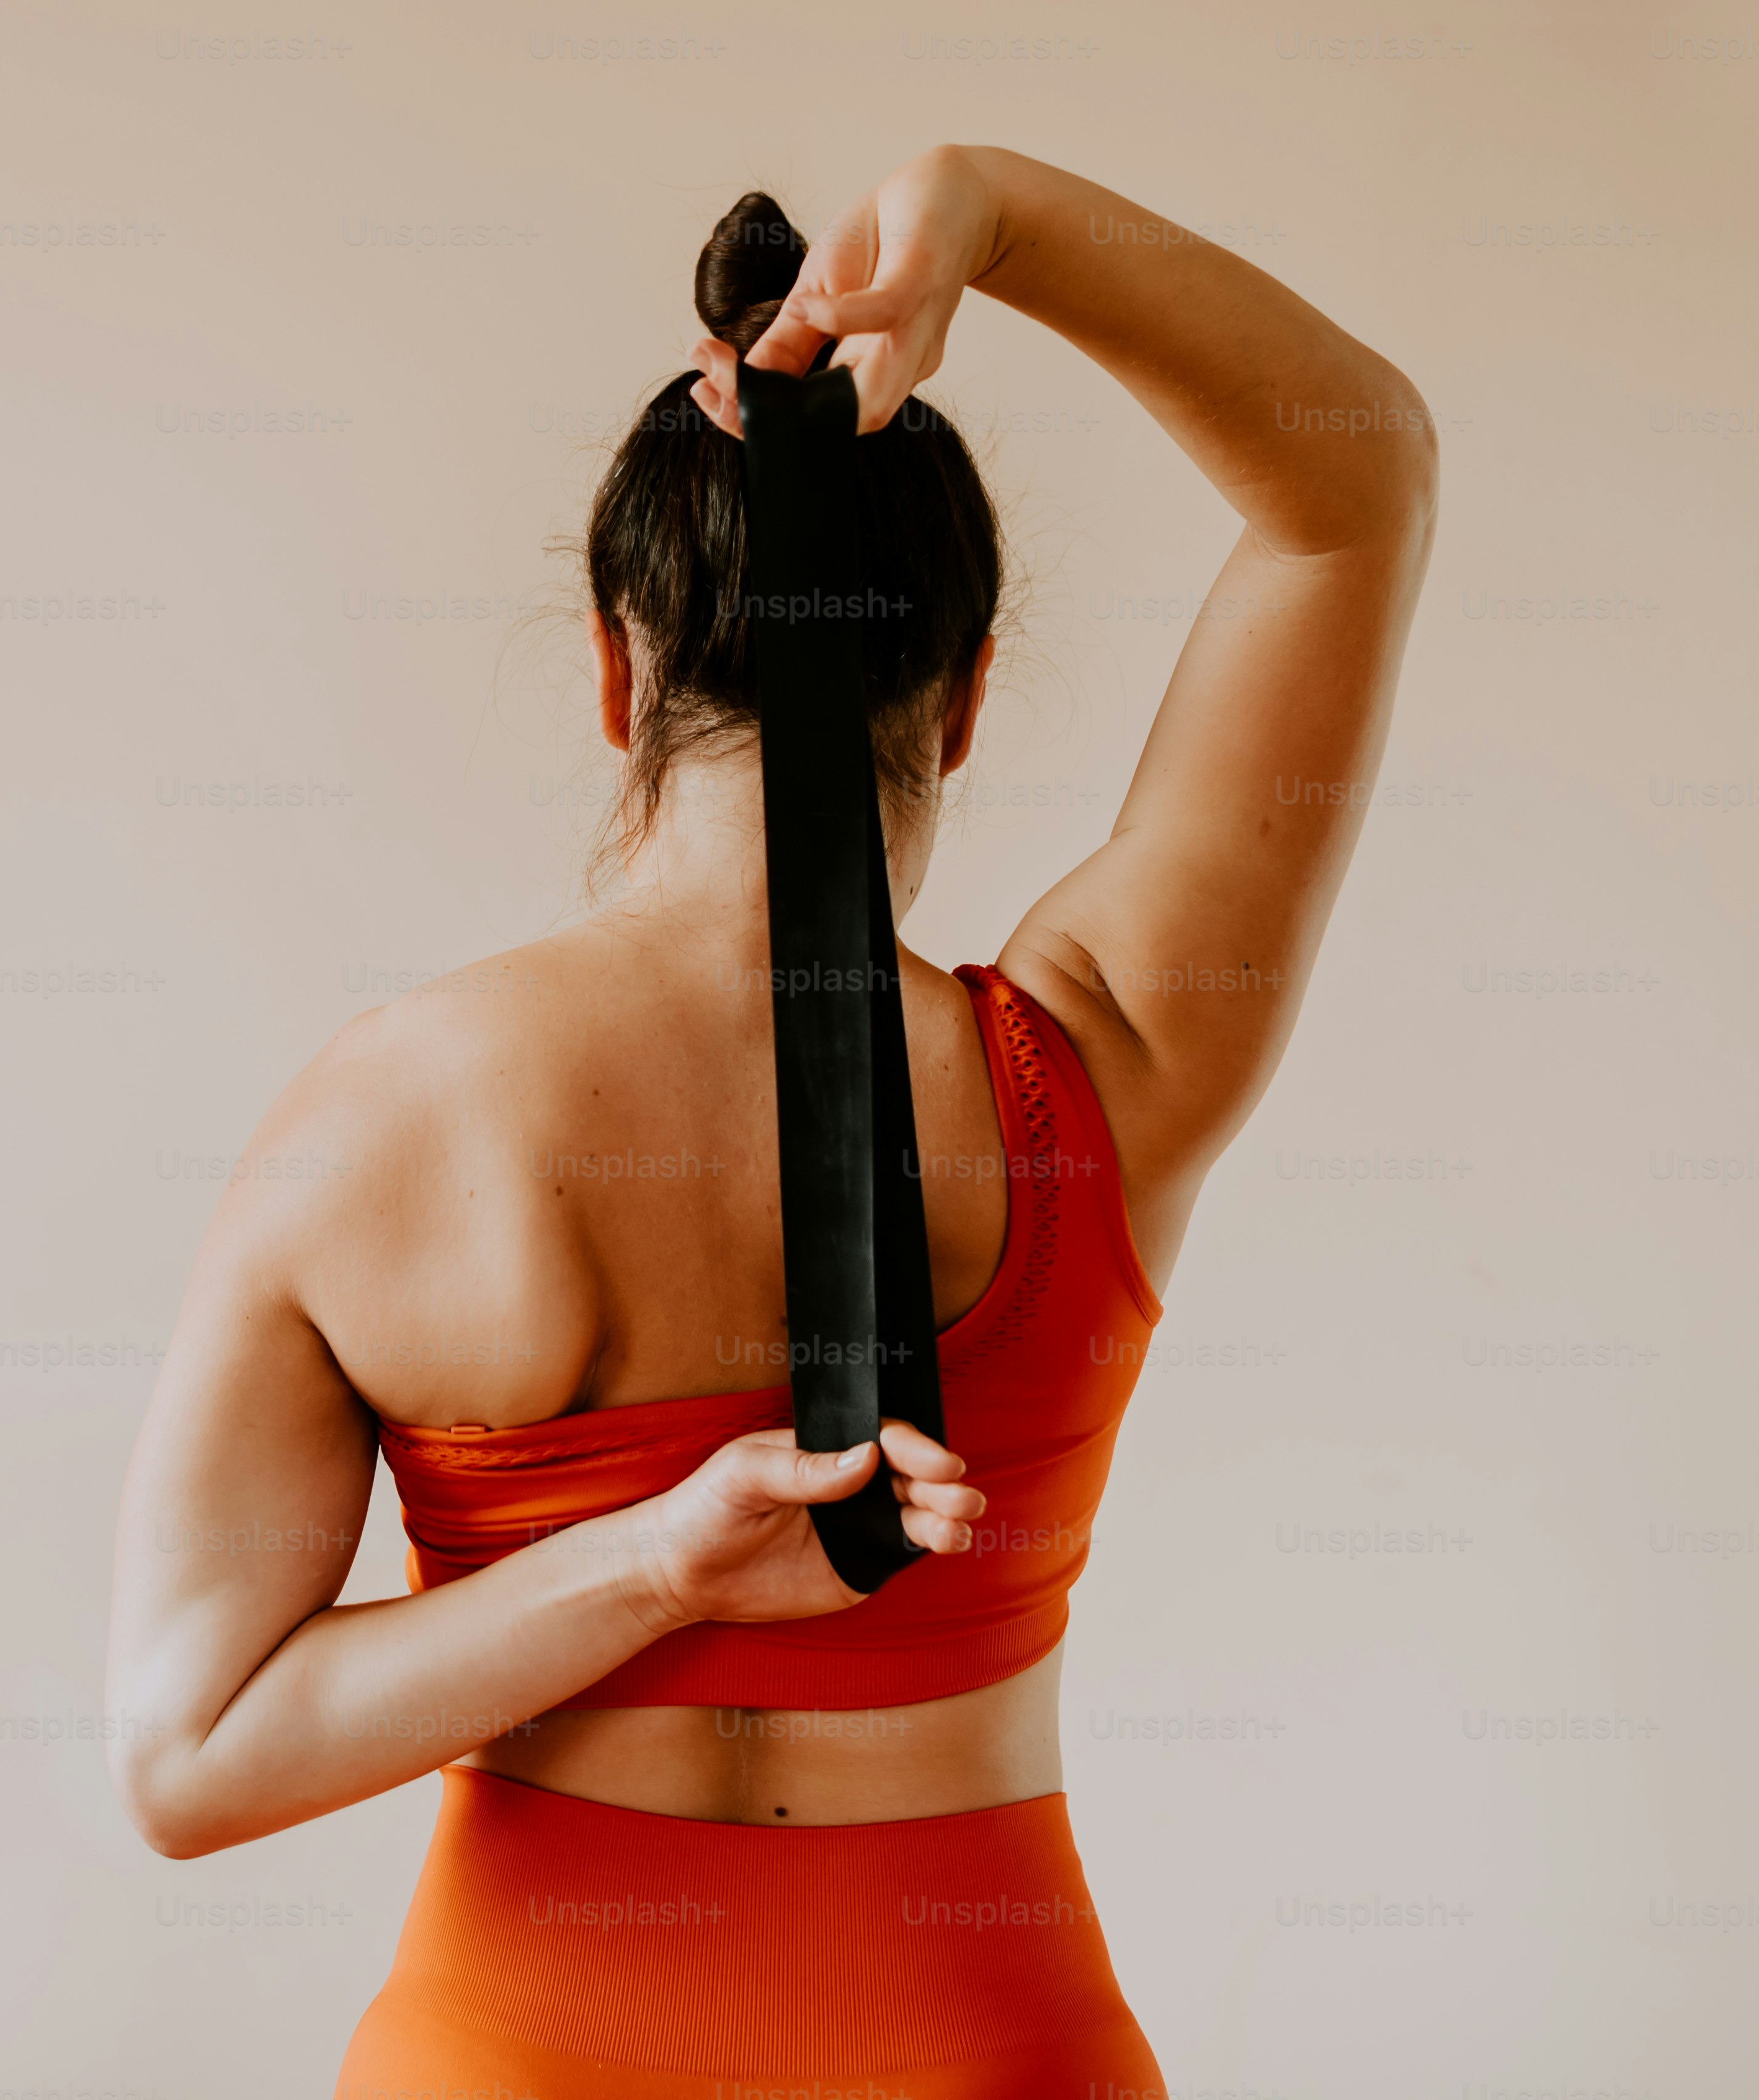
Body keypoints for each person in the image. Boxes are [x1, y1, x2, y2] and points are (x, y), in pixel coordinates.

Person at [105, 143, 1436, 2093]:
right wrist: (991, 214)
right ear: (968, 695)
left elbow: (187, 1755)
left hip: (518, 2054)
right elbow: (1358, 478)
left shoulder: (376, 1124)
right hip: (981, 2044)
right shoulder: (1110, 1061)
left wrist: (653, 1566)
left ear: (615, 667)